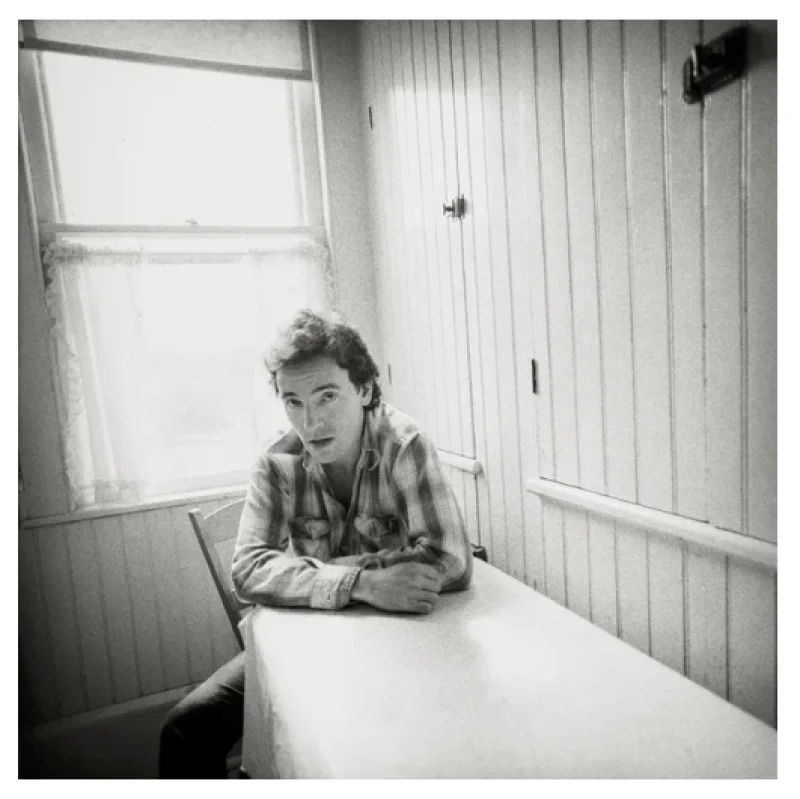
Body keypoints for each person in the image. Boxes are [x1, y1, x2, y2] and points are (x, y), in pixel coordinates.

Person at [159, 308, 473, 778]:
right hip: (312, 642)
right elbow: (246, 568)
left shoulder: (404, 444)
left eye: (327, 397)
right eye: (293, 401)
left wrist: (326, 577)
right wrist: (364, 583)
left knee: (395, 745)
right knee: (186, 727)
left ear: (364, 390)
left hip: (405, 642)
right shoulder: (274, 461)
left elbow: (449, 558)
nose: (311, 421)